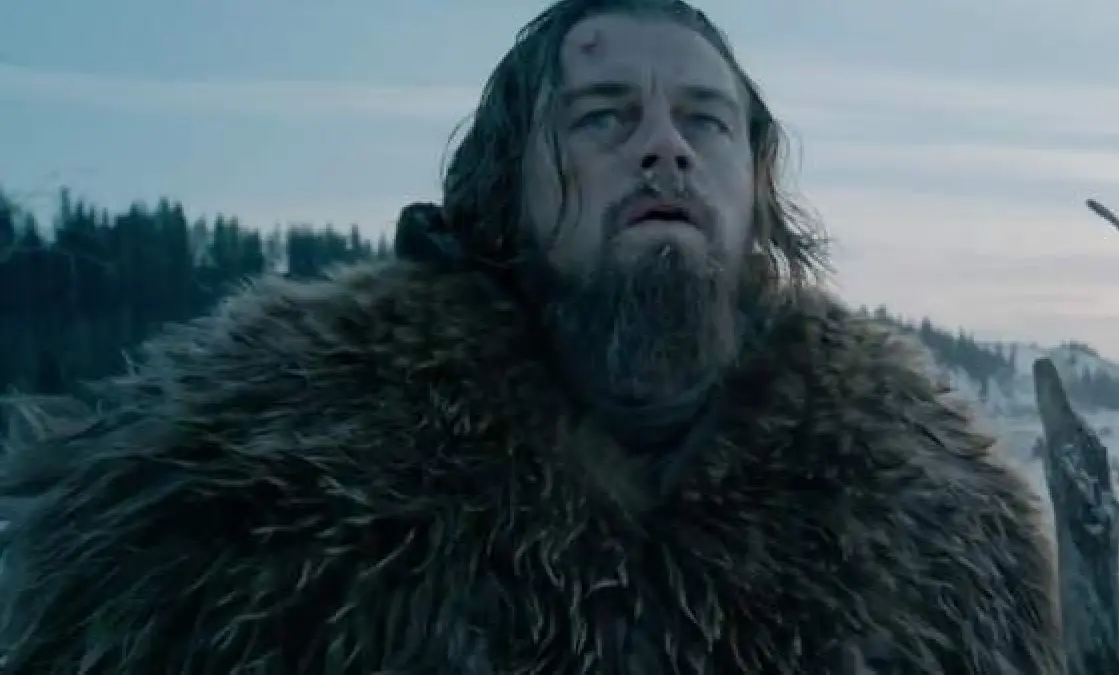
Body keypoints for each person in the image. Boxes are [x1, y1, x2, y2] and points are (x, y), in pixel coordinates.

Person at [0, 0, 1063, 672]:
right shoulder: (225, 491)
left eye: (704, 120)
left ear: (756, 187)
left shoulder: (946, 526)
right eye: (603, 116)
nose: (664, 149)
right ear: (505, 186)